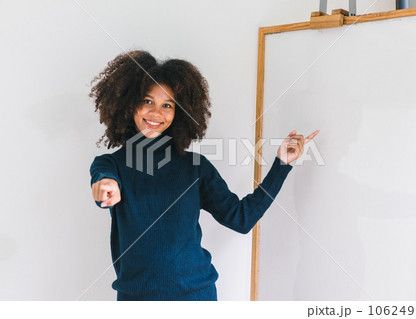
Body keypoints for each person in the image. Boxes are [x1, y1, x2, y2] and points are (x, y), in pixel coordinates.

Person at [89, 49, 319, 301]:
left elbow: (241, 219)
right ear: (128, 104)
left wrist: (281, 164)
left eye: (167, 105)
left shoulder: (195, 167)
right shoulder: (110, 165)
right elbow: (103, 183)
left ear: (179, 113)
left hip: (196, 297)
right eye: (147, 101)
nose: (156, 113)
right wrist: (105, 187)